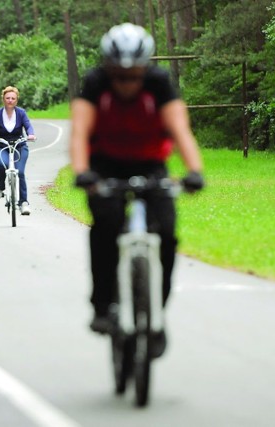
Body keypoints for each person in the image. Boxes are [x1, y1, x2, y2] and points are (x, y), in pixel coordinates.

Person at [69, 23, 204, 356]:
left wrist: (194, 171)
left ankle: (155, 315)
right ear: (108, 68)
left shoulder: (158, 84)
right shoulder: (95, 83)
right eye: (119, 75)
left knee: (168, 233)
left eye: (134, 75)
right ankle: (102, 306)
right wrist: (83, 172)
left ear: (145, 69)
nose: (126, 83)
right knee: (105, 224)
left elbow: (180, 129)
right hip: (105, 165)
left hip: (149, 164)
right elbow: (80, 132)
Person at [0, 86, 36, 216]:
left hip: (19, 145)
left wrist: (31, 134)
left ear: (16, 100)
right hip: (2, 145)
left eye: (13, 98)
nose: (10, 100)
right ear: (3, 99)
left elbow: (28, 126)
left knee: (20, 172)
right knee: (2, 164)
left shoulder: (21, 113)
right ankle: (1, 186)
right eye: (7, 98)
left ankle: (24, 203)